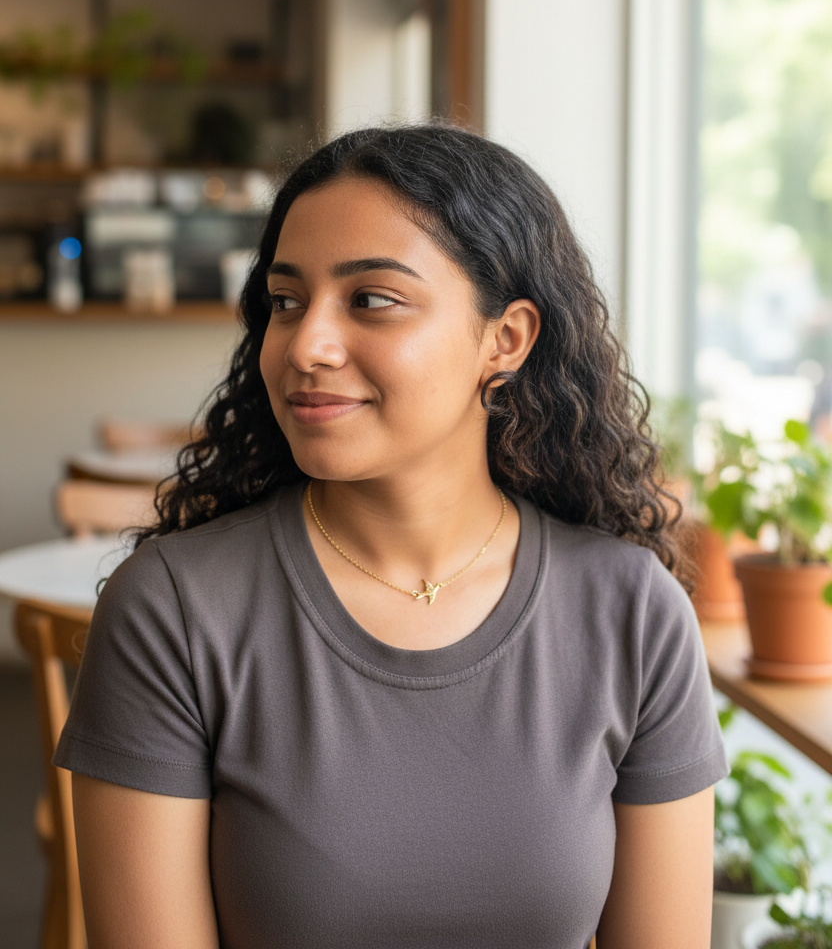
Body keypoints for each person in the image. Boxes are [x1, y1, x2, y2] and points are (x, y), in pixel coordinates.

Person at [56, 125, 727, 949]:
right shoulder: (173, 611)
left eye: (371, 299)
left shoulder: (634, 614)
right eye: (286, 302)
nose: (306, 346)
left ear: (506, 339)